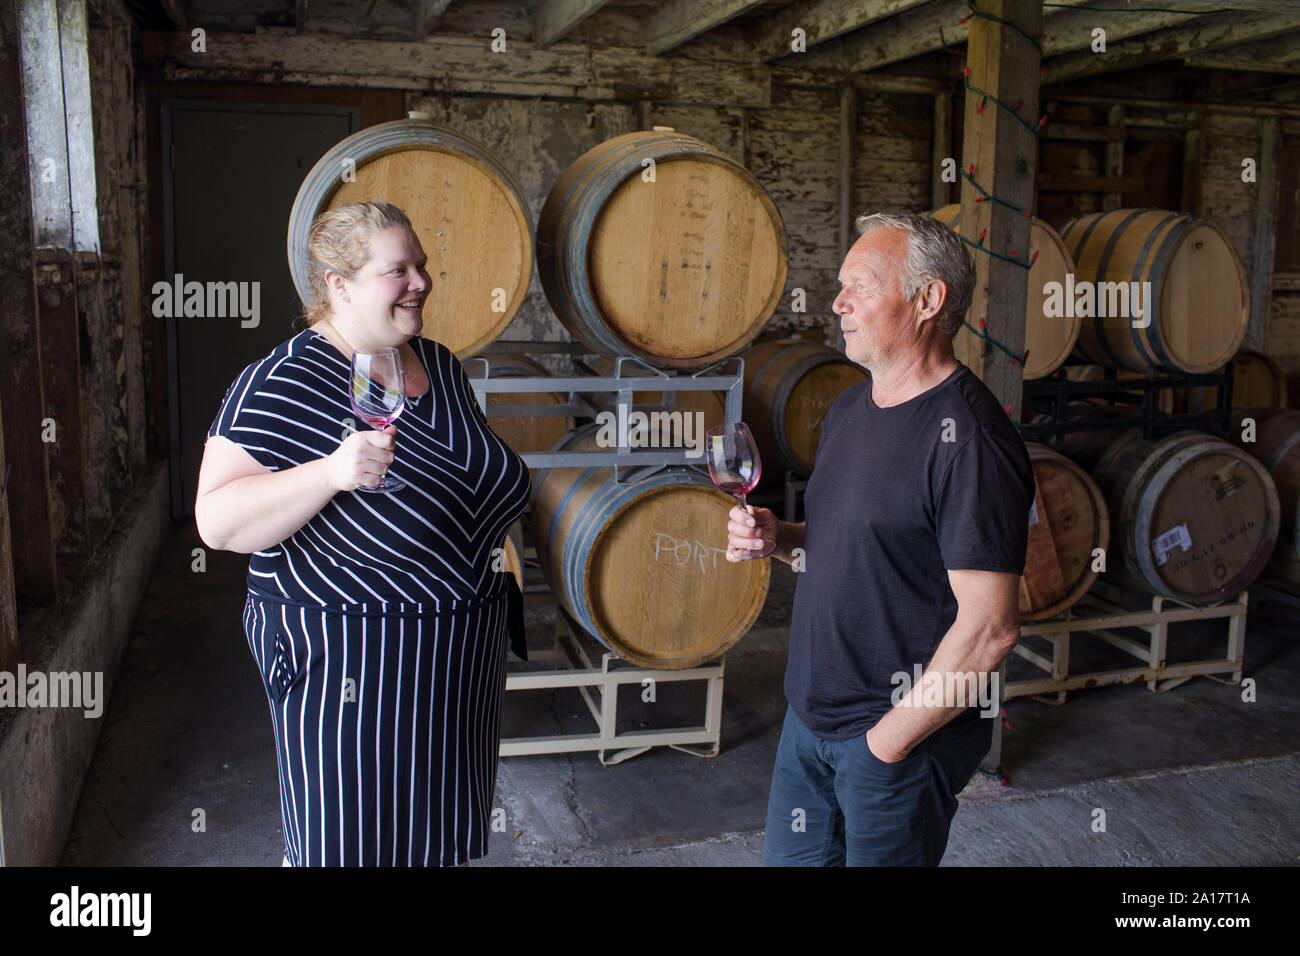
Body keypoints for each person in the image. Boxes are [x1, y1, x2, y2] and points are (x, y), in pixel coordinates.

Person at [195, 200, 530, 867]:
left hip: (453, 668)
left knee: (433, 847)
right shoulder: (283, 380)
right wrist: (328, 473)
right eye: (397, 269)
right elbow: (218, 521)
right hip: (350, 672)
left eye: (423, 266)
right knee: (346, 847)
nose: (421, 282)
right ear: (338, 285)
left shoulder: (437, 364)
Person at [726, 212, 1034, 866]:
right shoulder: (851, 409)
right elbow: (848, 545)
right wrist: (779, 536)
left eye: (860, 285)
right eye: (841, 285)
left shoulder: (970, 441)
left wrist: (886, 744)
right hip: (807, 725)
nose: (838, 302)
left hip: (892, 747)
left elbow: (991, 631)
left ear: (928, 300)